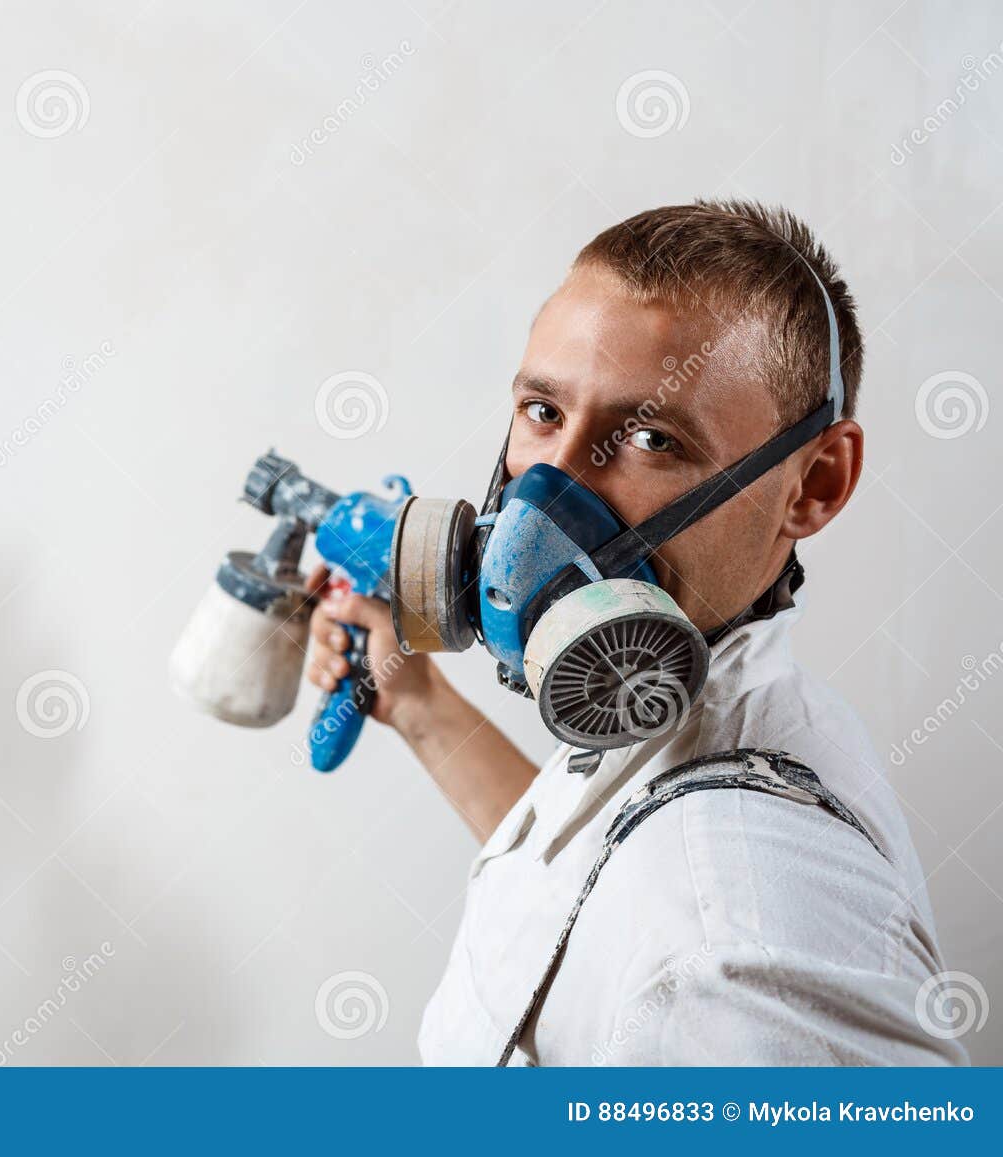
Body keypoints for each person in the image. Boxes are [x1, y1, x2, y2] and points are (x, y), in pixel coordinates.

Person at [306, 200, 967, 1065]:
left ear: (815, 482)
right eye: (544, 412)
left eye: (652, 438)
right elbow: (599, 884)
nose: (547, 493)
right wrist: (420, 704)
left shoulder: (742, 941)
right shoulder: (694, 723)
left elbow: (684, 913)